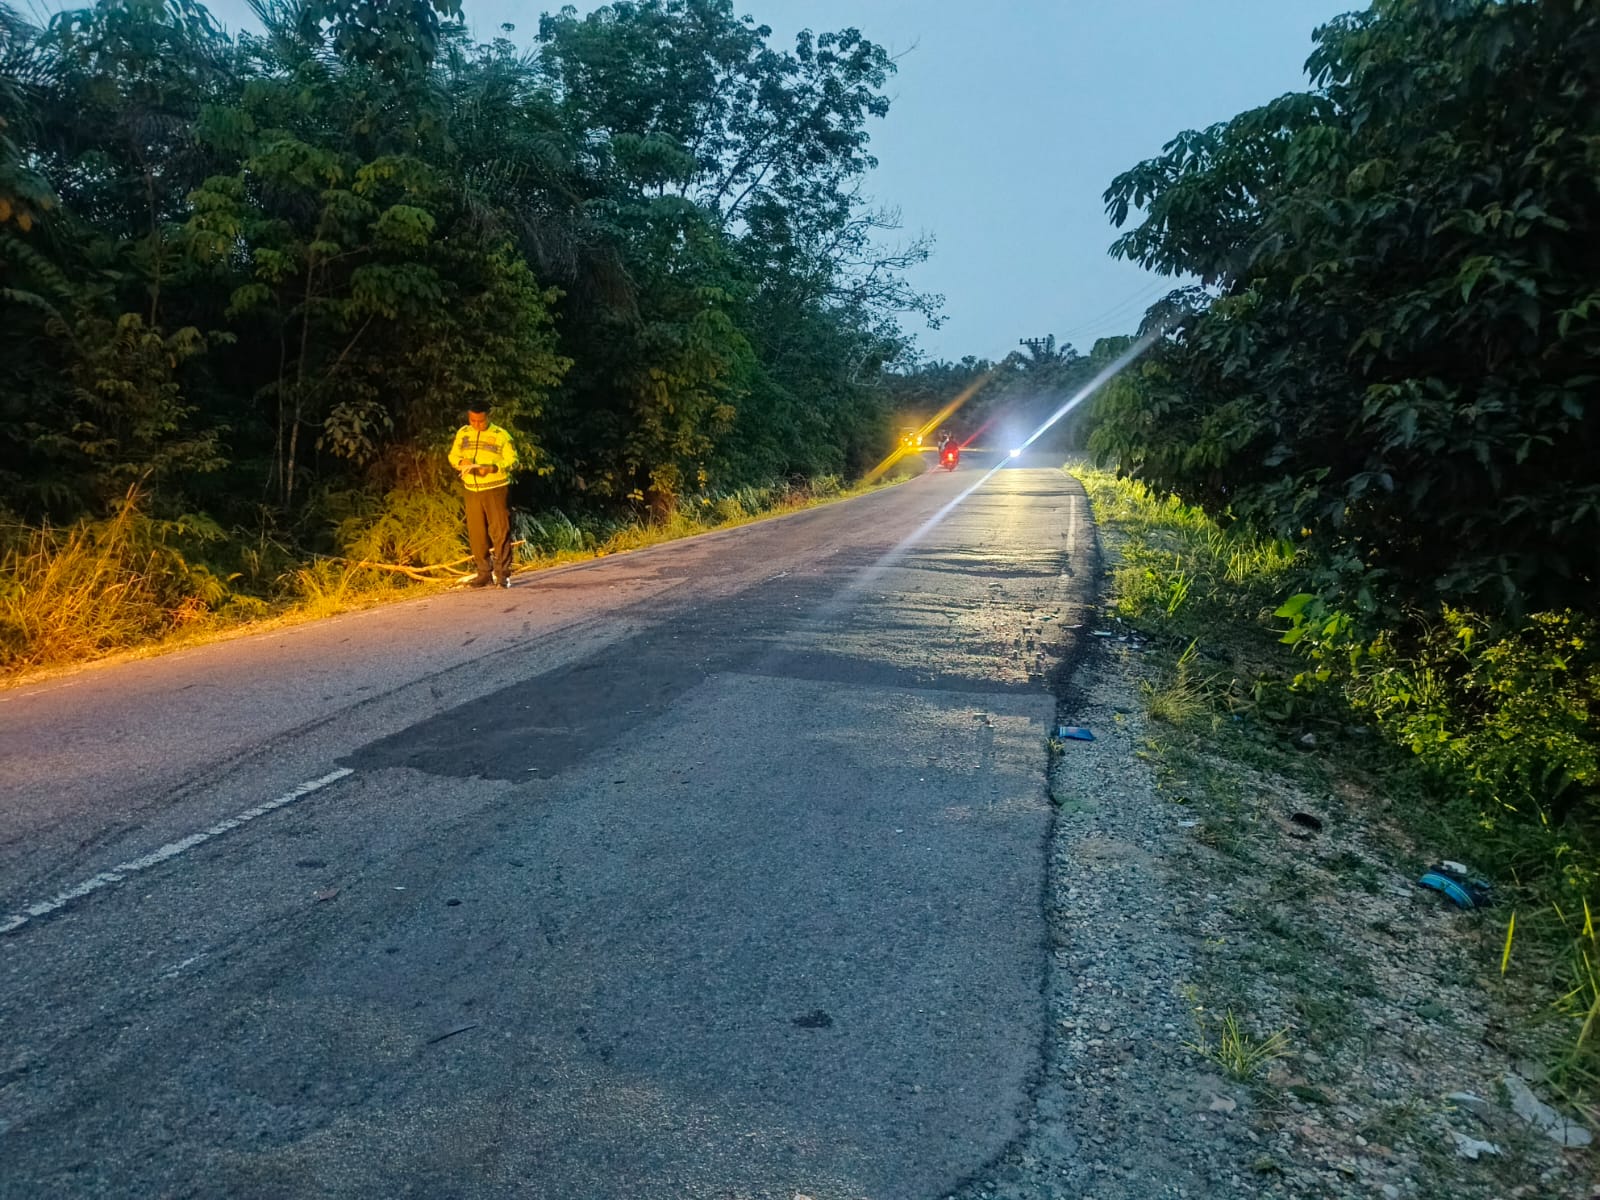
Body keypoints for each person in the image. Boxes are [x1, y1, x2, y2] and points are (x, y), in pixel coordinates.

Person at [448, 402, 518, 588]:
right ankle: (483, 573)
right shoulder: (463, 433)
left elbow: (513, 460)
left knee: (500, 532)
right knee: (477, 534)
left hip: (495, 488)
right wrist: (461, 461)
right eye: (472, 420)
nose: (476, 424)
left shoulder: (501, 435)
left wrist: (493, 467)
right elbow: (453, 455)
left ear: (488, 416)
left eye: (480, 421)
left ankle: (502, 574)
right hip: (472, 489)